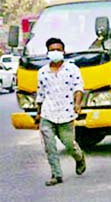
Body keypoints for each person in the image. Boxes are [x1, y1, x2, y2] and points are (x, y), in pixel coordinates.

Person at [36, 37, 86, 186]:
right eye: (52, 50)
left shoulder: (72, 69)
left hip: (66, 113)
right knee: (50, 146)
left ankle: (79, 157)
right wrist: (38, 113)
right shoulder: (43, 72)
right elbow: (41, 94)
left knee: (69, 144)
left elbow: (78, 88)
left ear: (63, 51)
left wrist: (77, 104)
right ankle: (56, 175)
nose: (55, 52)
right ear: (47, 52)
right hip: (47, 114)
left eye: (58, 50)